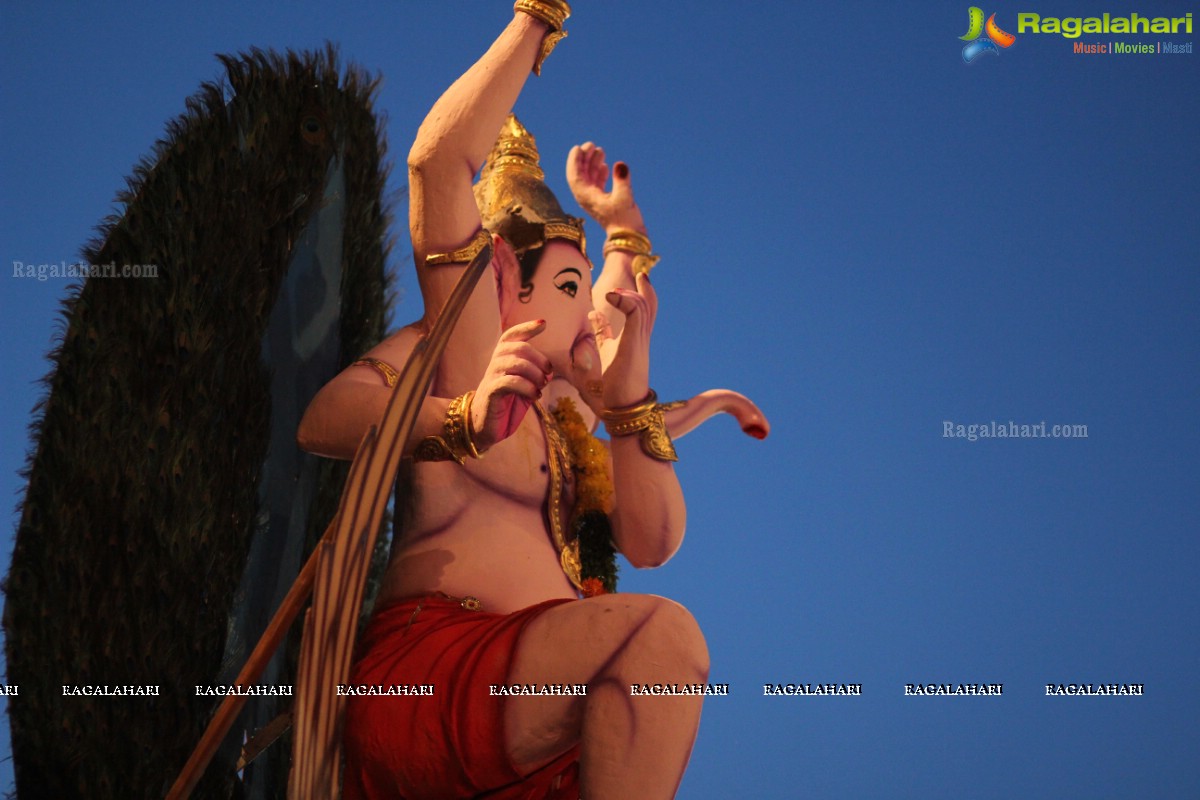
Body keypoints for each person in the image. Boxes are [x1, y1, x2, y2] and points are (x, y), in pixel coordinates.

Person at [297, 4, 768, 797]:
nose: (590, 313)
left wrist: (623, 244)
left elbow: (651, 543)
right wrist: (537, 19)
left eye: (587, 288)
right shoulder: (464, 345)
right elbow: (325, 419)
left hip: (540, 715)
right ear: (506, 279)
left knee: (658, 651)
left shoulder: (565, 417)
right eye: (566, 286)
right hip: (434, 684)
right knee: (660, 637)